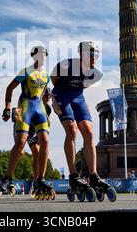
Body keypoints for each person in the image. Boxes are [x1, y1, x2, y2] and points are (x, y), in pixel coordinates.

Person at [51, 41, 110, 199]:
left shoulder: (96, 74)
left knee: (88, 131)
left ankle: (93, 175)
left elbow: (83, 87)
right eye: (90, 54)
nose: (94, 58)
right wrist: (55, 99)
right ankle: (73, 175)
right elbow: (53, 78)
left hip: (77, 96)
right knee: (71, 129)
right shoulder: (65, 65)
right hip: (61, 94)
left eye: (96, 55)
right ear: (81, 54)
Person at [0, 46, 54, 200]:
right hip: (23, 108)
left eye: (45, 54)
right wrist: (7, 108)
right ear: (34, 56)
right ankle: (8, 177)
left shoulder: (47, 75)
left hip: (39, 109)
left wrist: (48, 110)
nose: (43, 57)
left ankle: (40, 179)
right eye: (40, 54)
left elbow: (43, 93)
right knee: (20, 143)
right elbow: (9, 88)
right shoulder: (25, 71)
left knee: (44, 141)